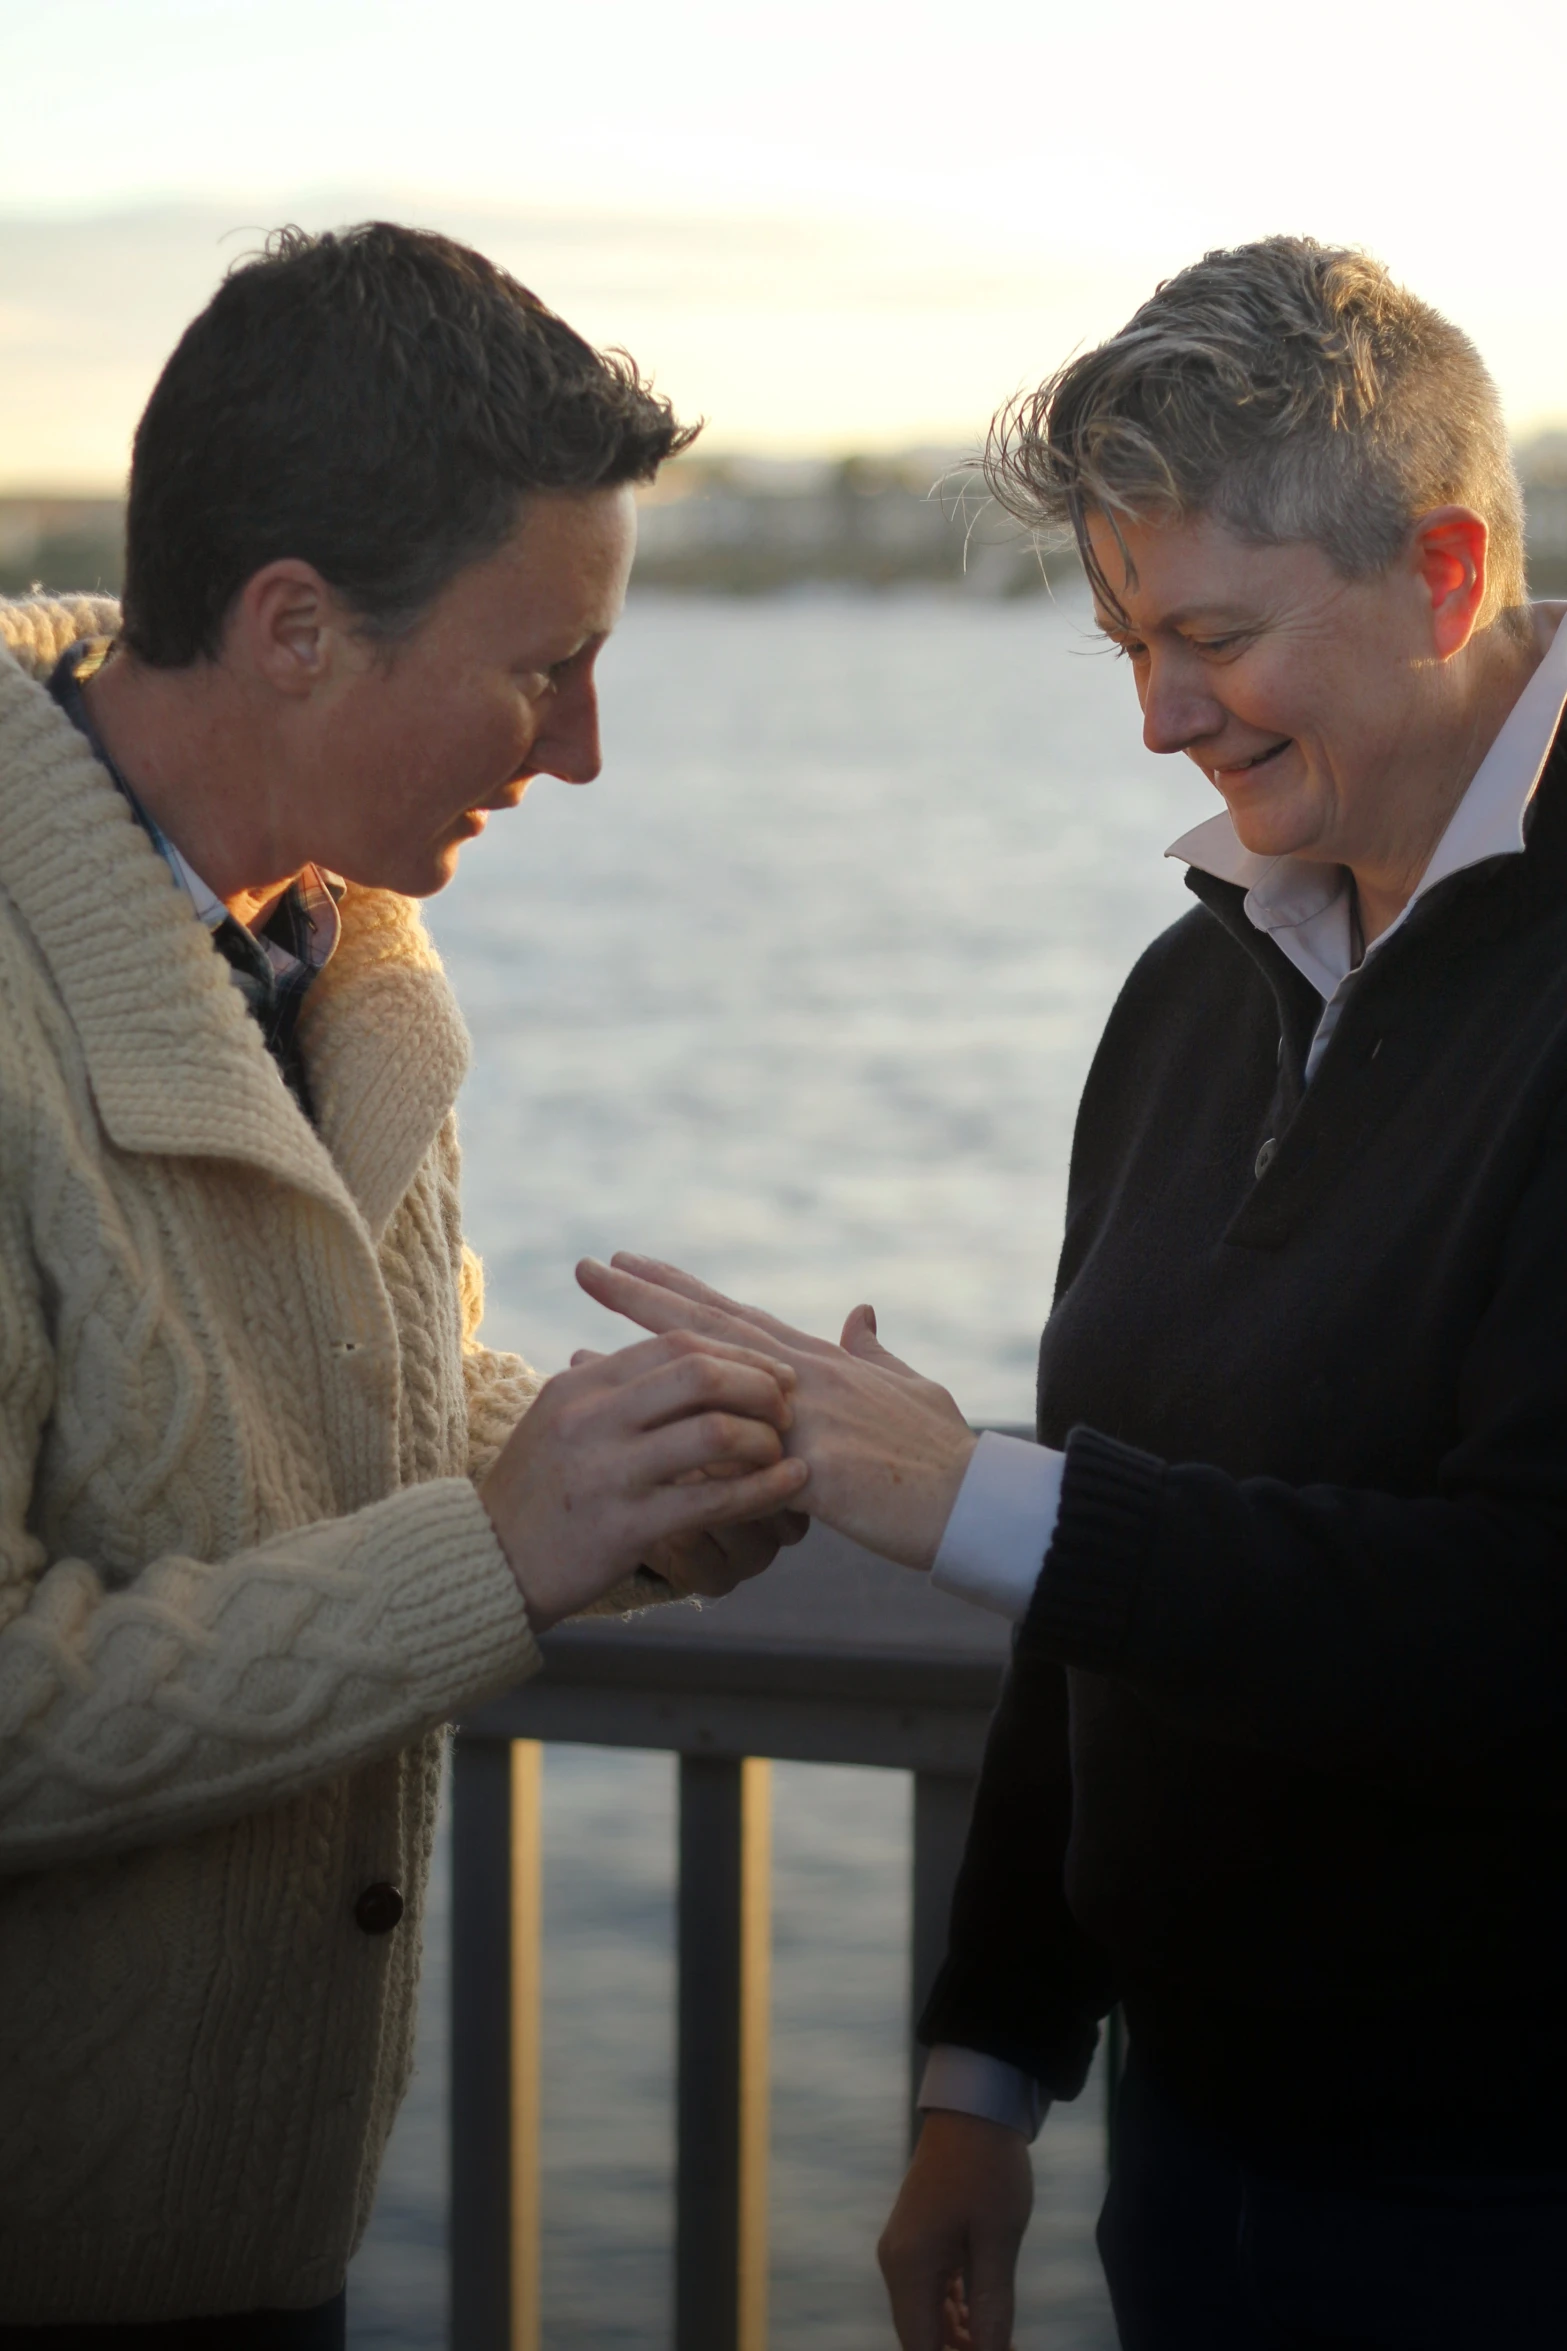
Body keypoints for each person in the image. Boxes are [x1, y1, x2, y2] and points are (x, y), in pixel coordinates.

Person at [584, 237, 1567, 2349]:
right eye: (1126, 639)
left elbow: (1518, 1615)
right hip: (1192, 2165)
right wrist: (990, 2067)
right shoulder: (1192, 990)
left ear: (1450, 566)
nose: (1157, 716)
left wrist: (976, 1496)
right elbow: (1111, 1570)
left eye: (1211, 635)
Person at [0, 222, 810, 2343]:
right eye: (549, 664)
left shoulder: (336, 936)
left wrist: (654, 1481)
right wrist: (497, 1554)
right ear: (292, 628)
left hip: (257, 2249)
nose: (584, 750)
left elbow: (358, 1414)